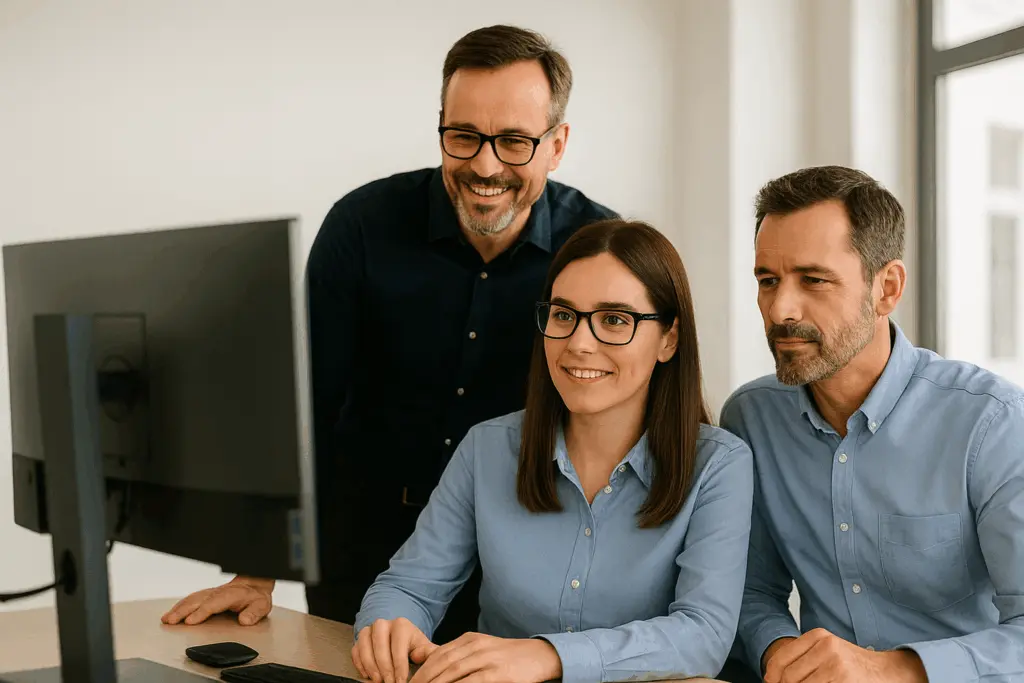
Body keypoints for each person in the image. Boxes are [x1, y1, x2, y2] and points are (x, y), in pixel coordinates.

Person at [160, 24, 615, 642]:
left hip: (527, 561)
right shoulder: (361, 227)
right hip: (365, 555)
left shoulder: (597, 251)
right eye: (464, 136)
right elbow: (306, 406)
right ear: (441, 128)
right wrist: (256, 569)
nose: (485, 165)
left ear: (557, 144)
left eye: (514, 141)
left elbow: (620, 420)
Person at [349, 218, 754, 683]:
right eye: (564, 315)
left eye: (615, 320)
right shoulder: (487, 449)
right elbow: (408, 587)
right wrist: (389, 629)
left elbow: (702, 636)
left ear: (669, 339)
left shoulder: (719, 466)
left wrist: (549, 657)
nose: (579, 344)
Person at [721, 165, 1024, 683]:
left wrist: (892, 670)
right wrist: (778, 651)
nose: (780, 309)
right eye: (768, 281)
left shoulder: (991, 424)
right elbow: (750, 592)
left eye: (813, 280)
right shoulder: (751, 418)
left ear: (887, 289)